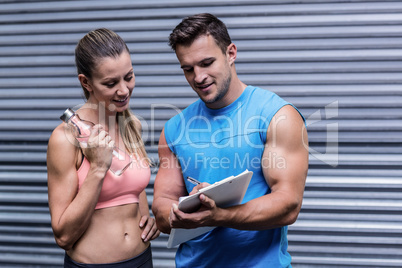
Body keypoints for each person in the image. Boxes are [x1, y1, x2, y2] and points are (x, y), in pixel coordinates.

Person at [152, 13, 309, 267]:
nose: (198, 77)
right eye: (188, 69)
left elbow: (289, 204)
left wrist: (219, 215)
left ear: (231, 53)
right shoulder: (174, 129)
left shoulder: (277, 116)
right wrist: (180, 211)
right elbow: (161, 207)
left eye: (207, 63)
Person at [47, 28, 159, 267]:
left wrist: (146, 217)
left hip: (142, 259)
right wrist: (98, 167)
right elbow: (63, 236)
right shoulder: (65, 139)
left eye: (129, 77)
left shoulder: (133, 125)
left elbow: (133, 186)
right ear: (85, 82)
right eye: (110, 83)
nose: (124, 90)